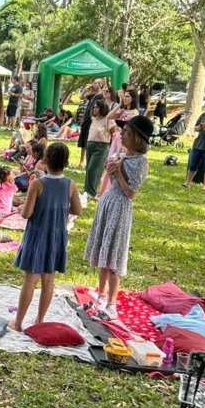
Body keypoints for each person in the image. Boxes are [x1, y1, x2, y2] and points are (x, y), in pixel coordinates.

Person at [84, 116, 153, 321]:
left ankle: (112, 305)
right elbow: (112, 181)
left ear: (137, 138)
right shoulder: (121, 156)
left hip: (120, 208)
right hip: (109, 203)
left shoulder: (140, 162)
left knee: (114, 255)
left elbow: (131, 193)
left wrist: (119, 172)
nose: (121, 134)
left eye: (127, 132)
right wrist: (112, 170)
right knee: (103, 254)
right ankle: (101, 297)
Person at [9, 142, 84, 332]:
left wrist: (21, 207)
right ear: (66, 163)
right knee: (48, 280)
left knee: (30, 280)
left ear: (44, 161)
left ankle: (18, 323)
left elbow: (26, 213)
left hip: (37, 236)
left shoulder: (38, 183)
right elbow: (77, 210)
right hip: (56, 237)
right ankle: (40, 320)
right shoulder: (70, 184)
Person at [83, 97, 116, 202]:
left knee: (93, 169)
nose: (94, 109)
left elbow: (113, 134)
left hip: (101, 146)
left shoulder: (108, 120)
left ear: (102, 108)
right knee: (88, 168)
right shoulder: (93, 119)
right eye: (94, 107)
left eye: (97, 107)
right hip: (90, 144)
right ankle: (86, 190)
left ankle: (91, 192)